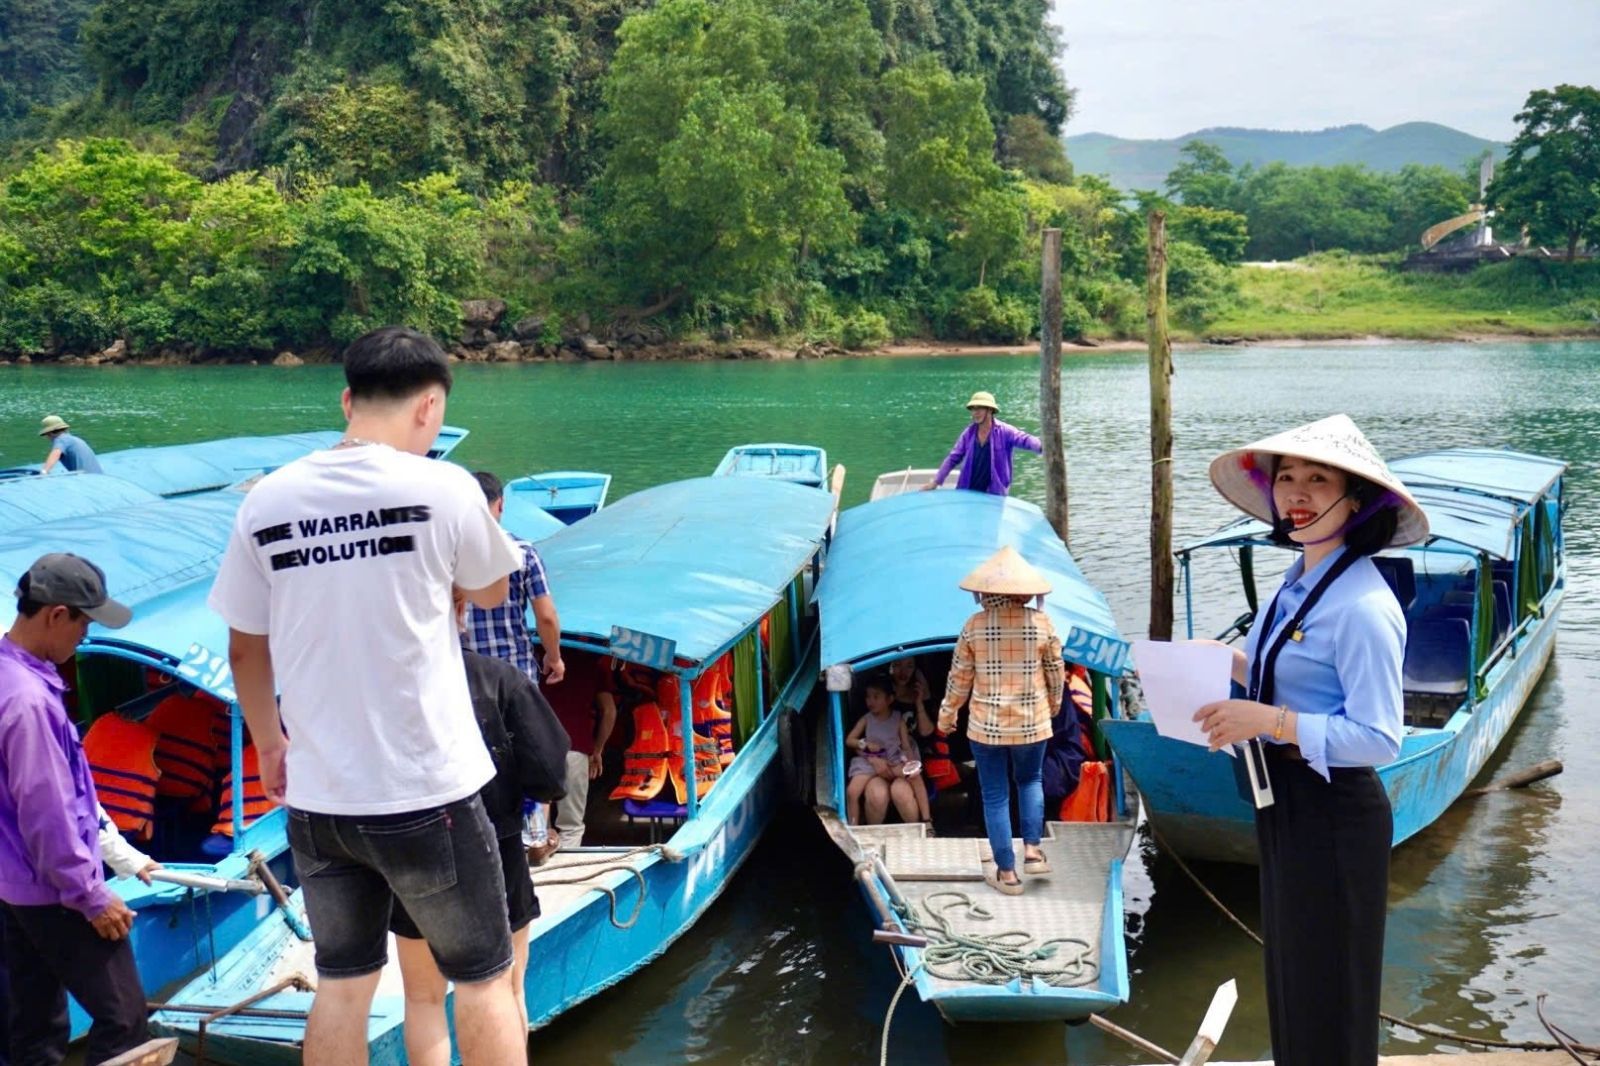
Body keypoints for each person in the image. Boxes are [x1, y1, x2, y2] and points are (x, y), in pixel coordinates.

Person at [208, 326, 528, 1066]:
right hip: (428, 793)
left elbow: (244, 647)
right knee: (482, 980)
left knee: (344, 983)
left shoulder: (267, 501)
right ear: (429, 407)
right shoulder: (443, 486)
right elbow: (490, 589)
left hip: (320, 800)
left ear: (347, 399)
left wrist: (269, 744)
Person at [1193, 413, 1423, 1066]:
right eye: (1287, 478)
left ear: (1359, 501)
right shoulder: (1297, 582)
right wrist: (1226, 661)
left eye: (1317, 480)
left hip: (1335, 813)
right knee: (1293, 975)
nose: (1296, 492)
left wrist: (1268, 722)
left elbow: (1380, 737)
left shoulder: (1363, 607)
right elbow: (1286, 671)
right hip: (1285, 802)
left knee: (1334, 991)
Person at [0, 553, 149, 1064]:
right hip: (53, 887)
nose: (84, 637)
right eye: (84, 622)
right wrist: (90, 894)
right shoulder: (28, 702)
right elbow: (48, 812)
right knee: (125, 1019)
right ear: (56, 615)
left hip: (12, 883)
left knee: (34, 1023)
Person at [390, 647, 569, 1066]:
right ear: (459, 607)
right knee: (506, 988)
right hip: (496, 846)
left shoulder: (382, 681)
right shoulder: (499, 679)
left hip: (409, 848)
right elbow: (550, 772)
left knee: (423, 999)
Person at [936, 546, 1063, 896]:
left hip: (986, 727)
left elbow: (958, 679)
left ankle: (1007, 875)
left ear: (985, 592)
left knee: (995, 795)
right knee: (1030, 781)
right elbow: (1056, 674)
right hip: (1032, 724)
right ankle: (1034, 851)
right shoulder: (1042, 623)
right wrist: (1052, 706)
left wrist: (947, 716)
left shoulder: (974, 626)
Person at [461, 469, 565, 856]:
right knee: (532, 754)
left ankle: (481, 839)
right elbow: (547, 617)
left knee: (475, 759)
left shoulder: (447, 554)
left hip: (463, 680)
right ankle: (536, 838)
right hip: (515, 677)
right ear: (500, 505)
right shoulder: (521, 552)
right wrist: (554, 659)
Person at [543, 655, 618, 849]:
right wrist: (598, 750)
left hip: (539, 747)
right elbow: (609, 711)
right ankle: (567, 871)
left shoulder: (537, 659)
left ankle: (541, 871)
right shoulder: (592, 664)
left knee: (538, 825)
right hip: (576, 747)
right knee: (571, 825)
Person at [924, 391, 1040, 496]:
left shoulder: (1005, 431)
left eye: (979, 409)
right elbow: (953, 458)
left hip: (994, 494)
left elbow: (1025, 439)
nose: (975, 413)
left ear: (990, 410)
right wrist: (936, 482)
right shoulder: (969, 433)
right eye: (973, 409)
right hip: (968, 491)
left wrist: (1042, 446)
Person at [843, 678, 923, 826]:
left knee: (916, 778)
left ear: (889, 699)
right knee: (852, 792)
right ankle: (853, 826)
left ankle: (926, 819)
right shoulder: (866, 719)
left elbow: (905, 745)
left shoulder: (898, 719)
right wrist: (864, 743)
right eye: (868, 697)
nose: (870, 701)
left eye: (876, 697)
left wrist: (910, 762)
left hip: (894, 761)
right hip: (869, 762)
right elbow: (850, 740)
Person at [37, 415, 103, 475]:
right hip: (98, 476)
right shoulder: (73, 439)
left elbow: (55, 453)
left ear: (49, 433)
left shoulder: (60, 439)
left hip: (86, 477)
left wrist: (44, 471)